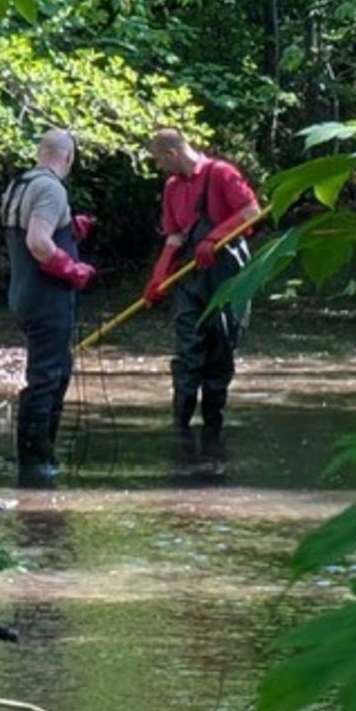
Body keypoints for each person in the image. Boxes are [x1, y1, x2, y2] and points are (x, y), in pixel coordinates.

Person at [142, 127, 259, 474]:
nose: (159, 168)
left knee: (220, 352)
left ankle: (212, 435)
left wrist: (214, 237)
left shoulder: (221, 173)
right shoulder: (171, 188)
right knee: (187, 350)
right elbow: (175, 237)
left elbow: (251, 212)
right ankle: (180, 433)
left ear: (172, 153)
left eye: (159, 160)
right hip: (189, 278)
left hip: (227, 274)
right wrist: (158, 277)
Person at [0, 128, 96, 487]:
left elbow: (32, 229)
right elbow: (38, 243)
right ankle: (34, 465)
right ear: (69, 157)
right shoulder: (52, 188)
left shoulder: (20, 183)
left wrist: (70, 229)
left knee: (59, 370)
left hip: (22, 294)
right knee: (45, 379)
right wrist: (73, 269)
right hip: (45, 299)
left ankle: (43, 456)